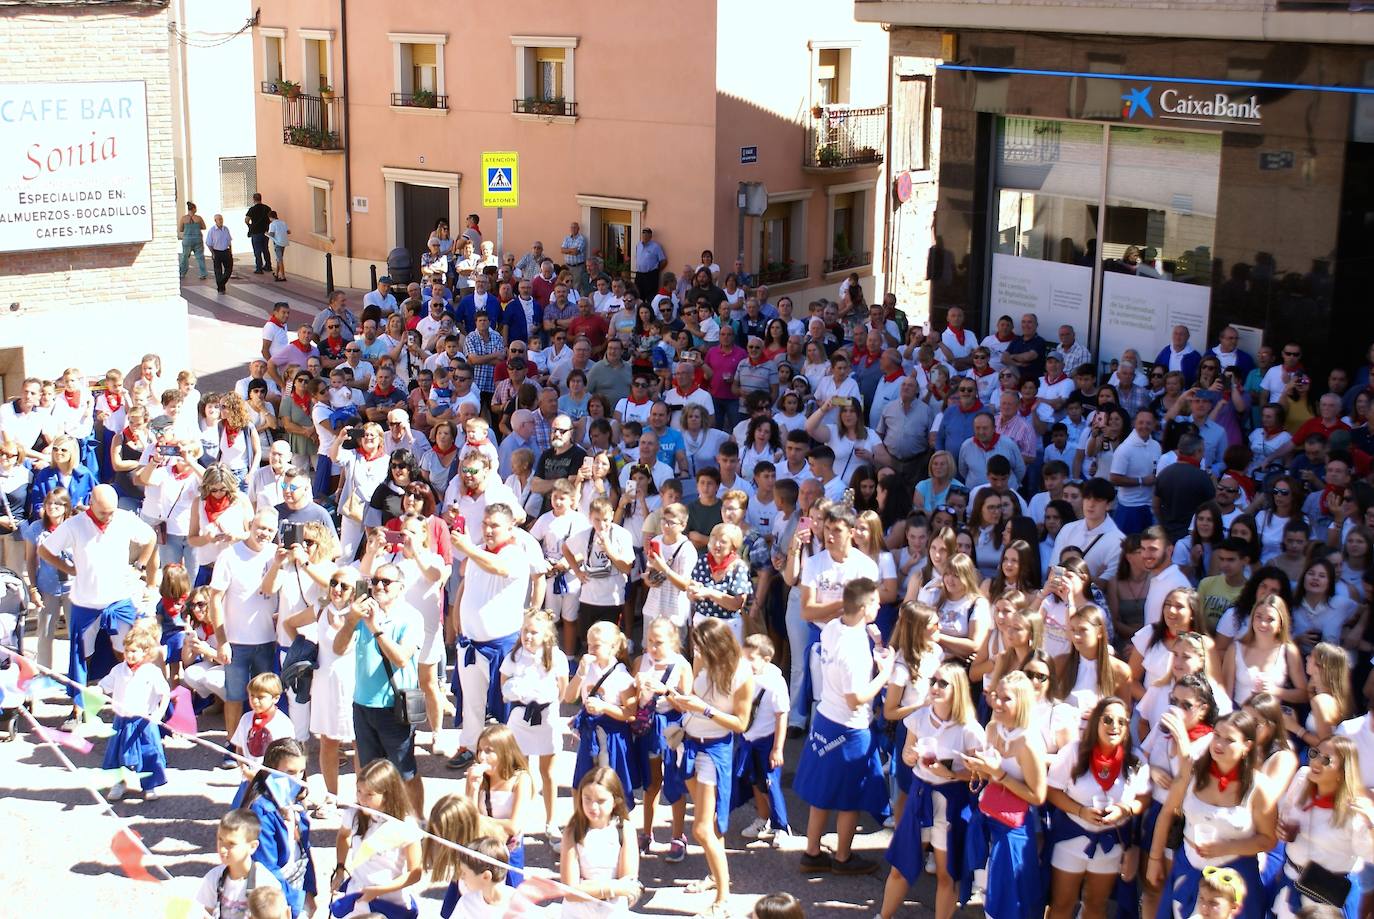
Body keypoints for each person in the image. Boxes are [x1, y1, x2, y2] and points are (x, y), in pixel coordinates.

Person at [39, 484, 157, 727]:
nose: (109, 516)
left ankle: (139, 705)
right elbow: (45, 550)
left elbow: (151, 538)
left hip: (119, 600)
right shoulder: (74, 525)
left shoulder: (124, 519)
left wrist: (139, 566)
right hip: (86, 603)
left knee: (131, 652)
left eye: (112, 511)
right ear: (91, 503)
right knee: (81, 657)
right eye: (104, 512)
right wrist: (69, 568)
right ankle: (77, 711)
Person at [797, 578, 892, 876]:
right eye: (875, 602)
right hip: (850, 728)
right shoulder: (854, 650)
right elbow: (856, 699)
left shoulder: (835, 627)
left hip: (825, 717)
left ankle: (812, 851)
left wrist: (874, 640)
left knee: (822, 792)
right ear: (864, 608)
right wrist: (884, 674)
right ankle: (842, 856)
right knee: (851, 798)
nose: (880, 605)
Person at [1147, 710, 1277, 919]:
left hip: (1235, 878)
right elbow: (1166, 813)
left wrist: (1227, 847)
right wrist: (1154, 858)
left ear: (1247, 746)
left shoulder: (1259, 787)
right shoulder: (1192, 770)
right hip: (1188, 866)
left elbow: (1268, 840)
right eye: (1216, 735)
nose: (1219, 744)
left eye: (1229, 740)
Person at [880, 660, 985, 918]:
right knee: (900, 866)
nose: (935, 687)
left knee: (945, 873)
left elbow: (980, 775)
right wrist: (909, 757)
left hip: (951, 801)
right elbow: (907, 753)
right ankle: (883, 916)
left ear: (957, 689)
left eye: (943, 683)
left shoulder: (970, 730)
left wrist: (949, 773)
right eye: (933, 681)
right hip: (919, 794)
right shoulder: (918, 717)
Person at [1044, 696, 1150, 919]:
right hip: (1071, 839)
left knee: (1096, 905)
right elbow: (1052, 791)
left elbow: (1144, 797)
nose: (1115, 726)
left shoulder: (1135, 759)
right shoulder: (1074, 751)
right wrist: (1081, 811)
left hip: (1111, 843)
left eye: (1122, 721)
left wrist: (1125, 810)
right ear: (1096, 722)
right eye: (1108, 719)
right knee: (1062, 904)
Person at [329, 759, 423, 918]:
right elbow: (343, 836)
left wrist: (379, 891)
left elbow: (415, 873)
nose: (362, 799)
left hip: (391, 900)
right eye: (359, 791)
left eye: (369, 794)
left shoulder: (405, 824)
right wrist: (340, 868)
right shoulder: (353, 814)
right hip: (358, 895)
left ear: (387, 794)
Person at [98, 620, 170, 802]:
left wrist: (158, 715)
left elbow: (165, 693)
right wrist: (96, 691)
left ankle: (150, 784)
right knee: (117, 754)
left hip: (144, 721)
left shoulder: (151, 672)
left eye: (134, 651)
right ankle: (119, 783)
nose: (129, 655)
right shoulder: (118, 670)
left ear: (145, 652)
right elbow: (104, 686)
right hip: (121, 720)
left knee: (149, 753)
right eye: (127, 650)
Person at [559, 767, 642, 919]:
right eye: (587, 799)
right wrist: (612, 887)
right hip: (577, 914)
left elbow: (628, 883)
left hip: (612, 913)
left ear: (615, 801)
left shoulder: (624, 830)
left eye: (601, 801)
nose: (593, 807)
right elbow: (570, 891)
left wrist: (585, 887)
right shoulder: (573, 831)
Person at [194, 810, 284, 918]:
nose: (222, 849)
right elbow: (208, 911)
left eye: (231, 844)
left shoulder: (265, 883)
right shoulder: (214, 877)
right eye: (220, 839)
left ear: (252, 847)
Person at [178, 201, 208, 280]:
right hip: (197, 239)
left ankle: (182, 273)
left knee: (185, 256)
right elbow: (204, 227)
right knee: (200, 257)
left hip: (187, 239)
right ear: (194, 209)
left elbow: (181, 229)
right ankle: (203, 273)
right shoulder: (198, 218)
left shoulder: (184, 218)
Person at [207, 213, 234, 294]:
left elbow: (229, 241)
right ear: (215, 221)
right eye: (219, 219)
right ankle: (221, 288)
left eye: (222, 219)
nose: (221, 221)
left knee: (229, 270)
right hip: (217, 252)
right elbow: (208, 243)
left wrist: (231, 251)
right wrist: (212, 253)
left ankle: (221, 283)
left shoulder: (226, 229)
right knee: (218, 271)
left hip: (226, 251)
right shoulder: (212, 230)